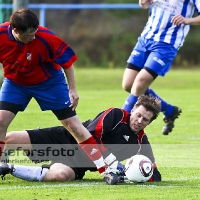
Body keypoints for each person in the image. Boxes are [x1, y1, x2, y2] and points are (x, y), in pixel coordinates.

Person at [0, 8, 117, 184]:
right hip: (16, 83)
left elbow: (67, 63)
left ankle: (105, 169)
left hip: (50, 83)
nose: (33, 37)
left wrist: (73, 90)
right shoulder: (1, 34)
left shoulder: (46, 37)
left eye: (35, 32)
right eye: (29, 35)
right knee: (1, 120)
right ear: (15, 31)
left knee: (73, 125)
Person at [0, 95, 161, 183]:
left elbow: (154, 174)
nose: (139, 121)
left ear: (150, 122)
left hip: (78, 164)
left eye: (145, 120)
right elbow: (90, 137)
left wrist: (129, 174)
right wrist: (112, 161)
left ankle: (9, 168)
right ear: (132, 110)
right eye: (138, 115)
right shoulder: (117, 115)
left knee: (60, 176)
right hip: (65, 138)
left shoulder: (141, 143)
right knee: (10, 139)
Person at [122, 0, 200, 135]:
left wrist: (187, 20)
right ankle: (169, 110)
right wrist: (143, 2)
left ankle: (121, 122)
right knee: (129, 85)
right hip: (146, 38)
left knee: (140, 82)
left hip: (167, 43)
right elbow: (145, 4)